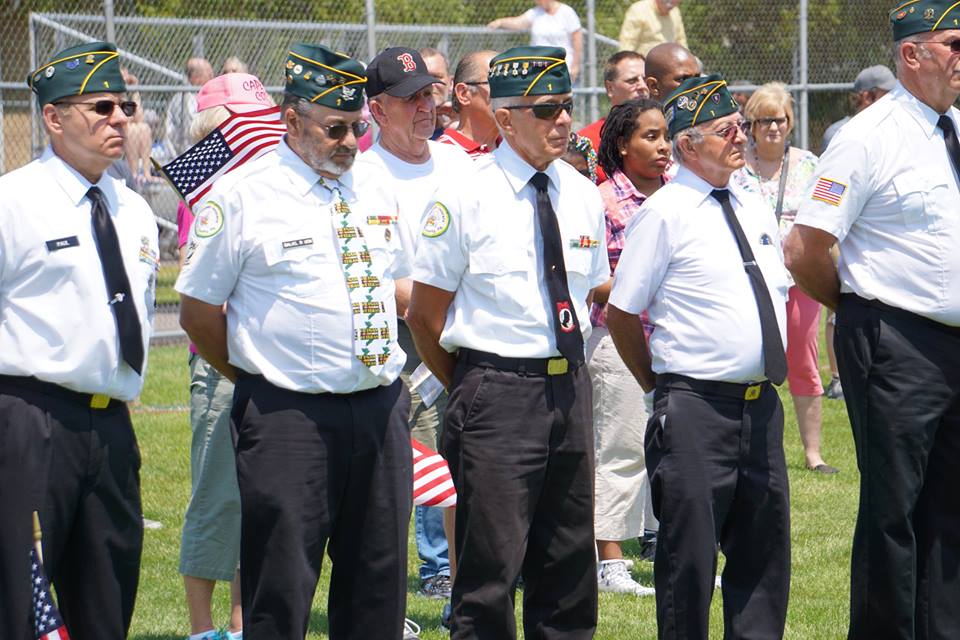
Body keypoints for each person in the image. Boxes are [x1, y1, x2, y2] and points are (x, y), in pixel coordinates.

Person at [176, 43, 415, 640]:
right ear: (291, 120)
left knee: (378, 583)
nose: (350, 141)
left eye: (358, 127)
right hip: (288, 417)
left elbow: (397, 282)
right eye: (335, 128)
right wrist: (255, 377)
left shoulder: (375, 186)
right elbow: (199, 314)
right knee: (280, 588)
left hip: (379, 408)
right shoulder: (243, 194)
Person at [407, 45, 607, 639]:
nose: (563, 121)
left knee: (569, 564)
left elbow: (589, 291)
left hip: (569, 389)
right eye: (546, 110)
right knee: (489, 572)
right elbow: (425, 316)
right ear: (505, 118)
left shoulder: (581, 193)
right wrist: (476, 384)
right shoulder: (465, 193)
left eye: (566, 106)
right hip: (495, 390)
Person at [785, 3, 960, 637]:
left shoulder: (954, 127)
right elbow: (805, 248)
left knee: (950, 510)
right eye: (955, 44)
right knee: (894, 510)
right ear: (913, 54)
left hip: (952, 344)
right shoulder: (868, 136)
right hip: (895, 340)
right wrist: (855, 308)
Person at [607, 75, 791, 639]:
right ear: (688, 145)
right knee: (688, 560)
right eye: (725, 130)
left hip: (760, 405)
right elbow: (622, 312)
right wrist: (659, 389)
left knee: (764, 555)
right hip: (695, 406)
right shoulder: (664, 212)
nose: (741, 137)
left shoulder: (751, 201)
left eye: (739, 126)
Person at [0, 41, 157, 640]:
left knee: (108, 598)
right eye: (102, 108)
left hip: (111, 426)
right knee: (21, 603)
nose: (120, 119)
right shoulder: (14, 202)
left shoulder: (132, 210)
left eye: (126, 107)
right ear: (54, 117)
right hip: (30, 422)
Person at [355, 46, 475, 606]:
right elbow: (385, 275)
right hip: (403, 344)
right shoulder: (362, 176)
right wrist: (442, 311)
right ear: (378, 110)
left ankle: (463, 595)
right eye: (411, 99)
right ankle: (387, 607)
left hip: (464, 332)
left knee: (462, 474)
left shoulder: (458, 163)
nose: (426, 106)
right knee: (397, 480)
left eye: (429, 93)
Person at [176, 72, 274, 640]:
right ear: (218, 131)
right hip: (220, 361)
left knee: (255, 495)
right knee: (216, 494)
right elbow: (199, 300)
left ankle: (240, 622)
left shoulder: (262, 185)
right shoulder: (210, 192)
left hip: (262, 358)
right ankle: (201, 627)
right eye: (247, 124)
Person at [732, 82, 838, 474]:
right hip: (749, 277)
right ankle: (745, 445)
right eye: (764, 121)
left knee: (804, 360)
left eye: (779, 120)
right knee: (748, 357)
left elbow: (826, 213)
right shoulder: (737, 166)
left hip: (798, 278)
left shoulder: (809, 164)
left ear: (790, 122)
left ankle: (813, 453)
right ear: (752, 125)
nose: (773, 128)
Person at [590, 98, 669, 596]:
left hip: (675, 340)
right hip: (618, 341)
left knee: (673, 447)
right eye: (650, 137)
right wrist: (639, 286)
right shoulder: (601, 202)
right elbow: (591, 280)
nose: (663, 147)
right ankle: (611, 562)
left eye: (665, 136)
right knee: (620, 449)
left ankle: (671, 548)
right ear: (623, 144)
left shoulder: (681, 195)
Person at [819, 64, 895, 402]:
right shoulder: (841, 133)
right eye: (885, 94)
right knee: (839, 310)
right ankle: (838, 376)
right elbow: (828, 191)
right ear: (866, 97)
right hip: (843, 232)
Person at [578, 50, 648, 183]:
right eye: (632, 81)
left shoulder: (666, 134)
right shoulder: (587, 142)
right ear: (610, 88)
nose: (643, 86)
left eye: (645, 79)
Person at [487, 1, 583, 83]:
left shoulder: (567, 12)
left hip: (561, 68)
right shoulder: (535, 13)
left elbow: (577, 41)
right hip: (538, 69)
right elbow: (518, 22)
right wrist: (500, 22)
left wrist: (575, 66)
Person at [437, 50, 500, 157]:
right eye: (496, 82)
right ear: (464, 94)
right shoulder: (442, 156)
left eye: (510, 83)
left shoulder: (517, 150)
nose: (508, 92)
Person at [821, 64, 896, 153]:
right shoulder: (838, 134)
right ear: (868, 97)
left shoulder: (891, 131)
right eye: (888, 95)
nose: (894, 101)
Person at [165, 57, 214, 156]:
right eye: (209, 73)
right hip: (188, 152)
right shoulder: (185, 98)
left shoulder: (207, 95)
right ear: (196, 78)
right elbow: (193, 130)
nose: (213, 76)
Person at [619, 0, 687, 57]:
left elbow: (681, 40)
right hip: (644, 64)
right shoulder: (638, 10)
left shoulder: (675, 12)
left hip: (669, 64)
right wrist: (626, 61)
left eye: (676, 2)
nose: (671, 4)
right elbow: (628, 43)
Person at [419, 47, 454, 136]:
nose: (431, 84)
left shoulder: (465, 126)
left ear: (451, 83)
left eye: (437, 77)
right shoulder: (400, 129)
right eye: (424, 78)